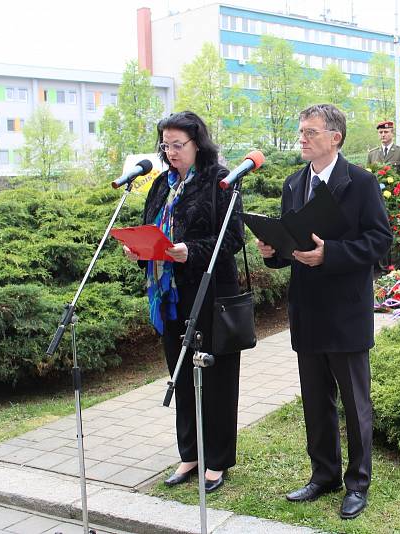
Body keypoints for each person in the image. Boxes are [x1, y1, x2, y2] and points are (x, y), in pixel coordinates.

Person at [256, 104, 392, 520]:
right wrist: (272, 251)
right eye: (301, 132)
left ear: (335, 137)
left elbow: (380, 242)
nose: (302, 138)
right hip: (307, 310)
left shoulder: (362, 183)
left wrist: (329, 254)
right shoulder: (294, 183)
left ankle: (357, 483)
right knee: (316, 402)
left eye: (310, 132)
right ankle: (324, 475)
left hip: (346, 311)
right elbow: (290, 243)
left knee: (355, 404)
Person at [121, 111, 244, 493]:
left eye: (178, 145)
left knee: (215, 377)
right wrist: (141, 251)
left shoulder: (219, 180)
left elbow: (232, 240)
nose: (170, 152)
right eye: (165, 145)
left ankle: (218, 460)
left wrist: (188, 250)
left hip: (208, 293)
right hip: (170, 295)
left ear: (197, 143)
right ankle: (189, 454)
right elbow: (151, 227)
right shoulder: (160, 183)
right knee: (180, 374)